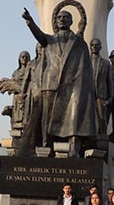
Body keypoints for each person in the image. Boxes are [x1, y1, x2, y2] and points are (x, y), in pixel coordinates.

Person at [21, 8, 98, 157]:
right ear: (56, 21)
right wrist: (30, 22)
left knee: (72, 118)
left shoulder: (79, 43)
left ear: (71, 22)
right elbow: (39, 36)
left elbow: (84, 68)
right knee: (46, 118)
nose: (62, 19)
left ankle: (73, 148)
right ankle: (45, 147)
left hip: (71, 86)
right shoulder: (50, 40)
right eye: (59, 17)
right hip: (50, 84)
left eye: (66, 17)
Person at [90, 38, 113, 135]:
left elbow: (109, 81)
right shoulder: (86, 61)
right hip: (88, 94)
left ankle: (102, 138)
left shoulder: (106, 63)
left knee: (102, 118)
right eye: (92, 45)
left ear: (100, 47)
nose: (94, 47)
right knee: (88, 118)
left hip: (101, 95)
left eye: (97, 45)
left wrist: (110, 97)